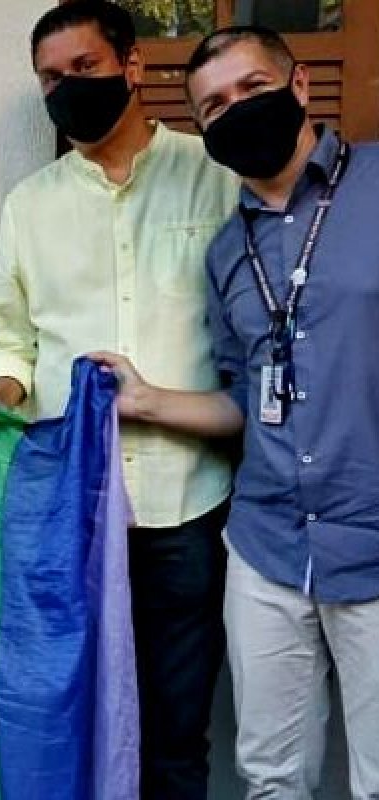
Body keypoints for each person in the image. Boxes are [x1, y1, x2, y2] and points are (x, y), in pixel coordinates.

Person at [93, 25, 379, 800]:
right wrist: (144, 397)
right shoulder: (226, 253)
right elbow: (245, 400)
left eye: (251, 89)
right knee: (268, 780)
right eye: (213, 106)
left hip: (372, 537)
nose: (235, 110)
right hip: (268, 548)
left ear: (298, 88)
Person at [0, 2, 239, 796]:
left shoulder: (213, 173)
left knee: (175, 730)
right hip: (71, 517)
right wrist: (2, 387)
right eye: (50, 78)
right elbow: (6, 334)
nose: (66, 88)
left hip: (188, 503)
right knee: (71, 715)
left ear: (132, 67)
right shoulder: (31, 205)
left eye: (83, 69)